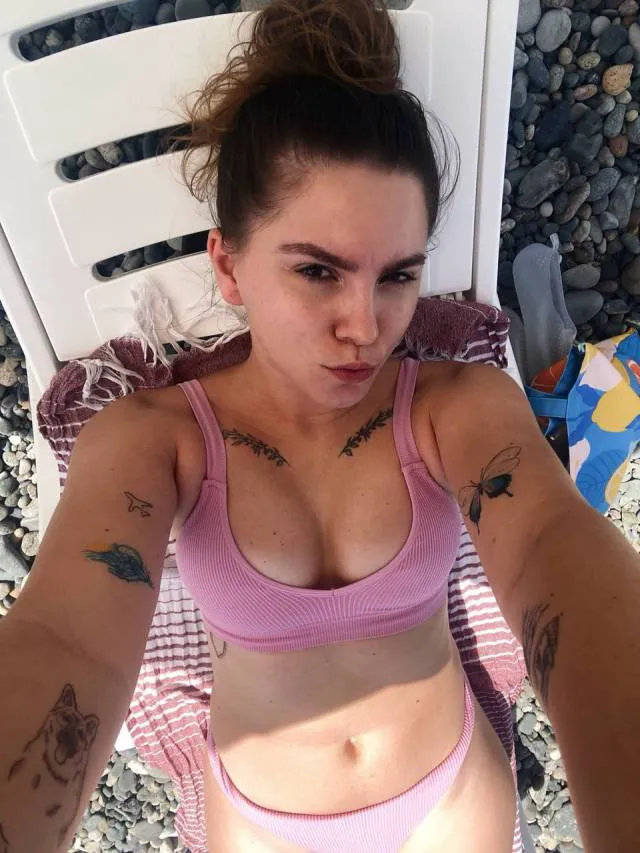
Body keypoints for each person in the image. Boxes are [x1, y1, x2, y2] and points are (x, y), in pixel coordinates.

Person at [1, 0, 639, 851]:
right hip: (260, 820)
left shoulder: (456, 404)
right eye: (317, 272)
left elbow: (553, 548)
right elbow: (68, 638)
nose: (365, 326)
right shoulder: (154, 437)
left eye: (398, 275)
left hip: (448, 794)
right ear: (229, 264)